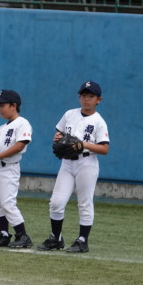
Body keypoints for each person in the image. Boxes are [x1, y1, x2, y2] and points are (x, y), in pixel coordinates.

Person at [38, 81, 110, 253]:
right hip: (67, 163)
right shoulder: (69, 114)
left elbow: (104, 149)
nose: (86, 99)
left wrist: (83, 144)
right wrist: (58, 137)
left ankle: (82, 241)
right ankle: (56, 238)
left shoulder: (99, 121)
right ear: (79, 97)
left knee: (84, 202)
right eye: (84, 95)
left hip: (87, 163)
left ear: (98, 100)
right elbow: (60, 133)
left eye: (91, 96)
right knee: (56, 202)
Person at [0, 90, 33, 248]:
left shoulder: (22, 123)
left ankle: (23, 236)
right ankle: (4, 234)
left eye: (2, 105)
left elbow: (20, 145)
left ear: (13, 105)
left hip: (9, 168)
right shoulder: (0, 128)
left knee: (7, 203)